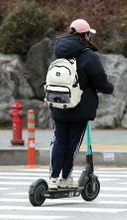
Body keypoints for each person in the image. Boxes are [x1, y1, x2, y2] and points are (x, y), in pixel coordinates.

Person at [49, 19, 114, 189]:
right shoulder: (88, 56)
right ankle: (66, 178)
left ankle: (53, 178)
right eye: (88, 34)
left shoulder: (57, 51)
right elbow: (101, 81)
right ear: (85, 35)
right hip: (79, 108)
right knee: (73, 143)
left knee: (59, 141)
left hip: (58, 104)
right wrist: (109, 88)